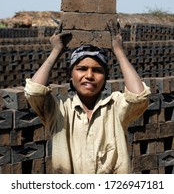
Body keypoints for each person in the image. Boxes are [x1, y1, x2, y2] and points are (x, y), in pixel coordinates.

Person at [24, 19, 151, 174]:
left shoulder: (115, 107)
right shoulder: (59, 110)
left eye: (97, 70)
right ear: (71, 76)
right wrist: (56, 50)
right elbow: (34, 91)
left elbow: (139, 96)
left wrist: (118, 50)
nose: (89, 75)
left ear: (105, 78)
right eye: (82, 69)